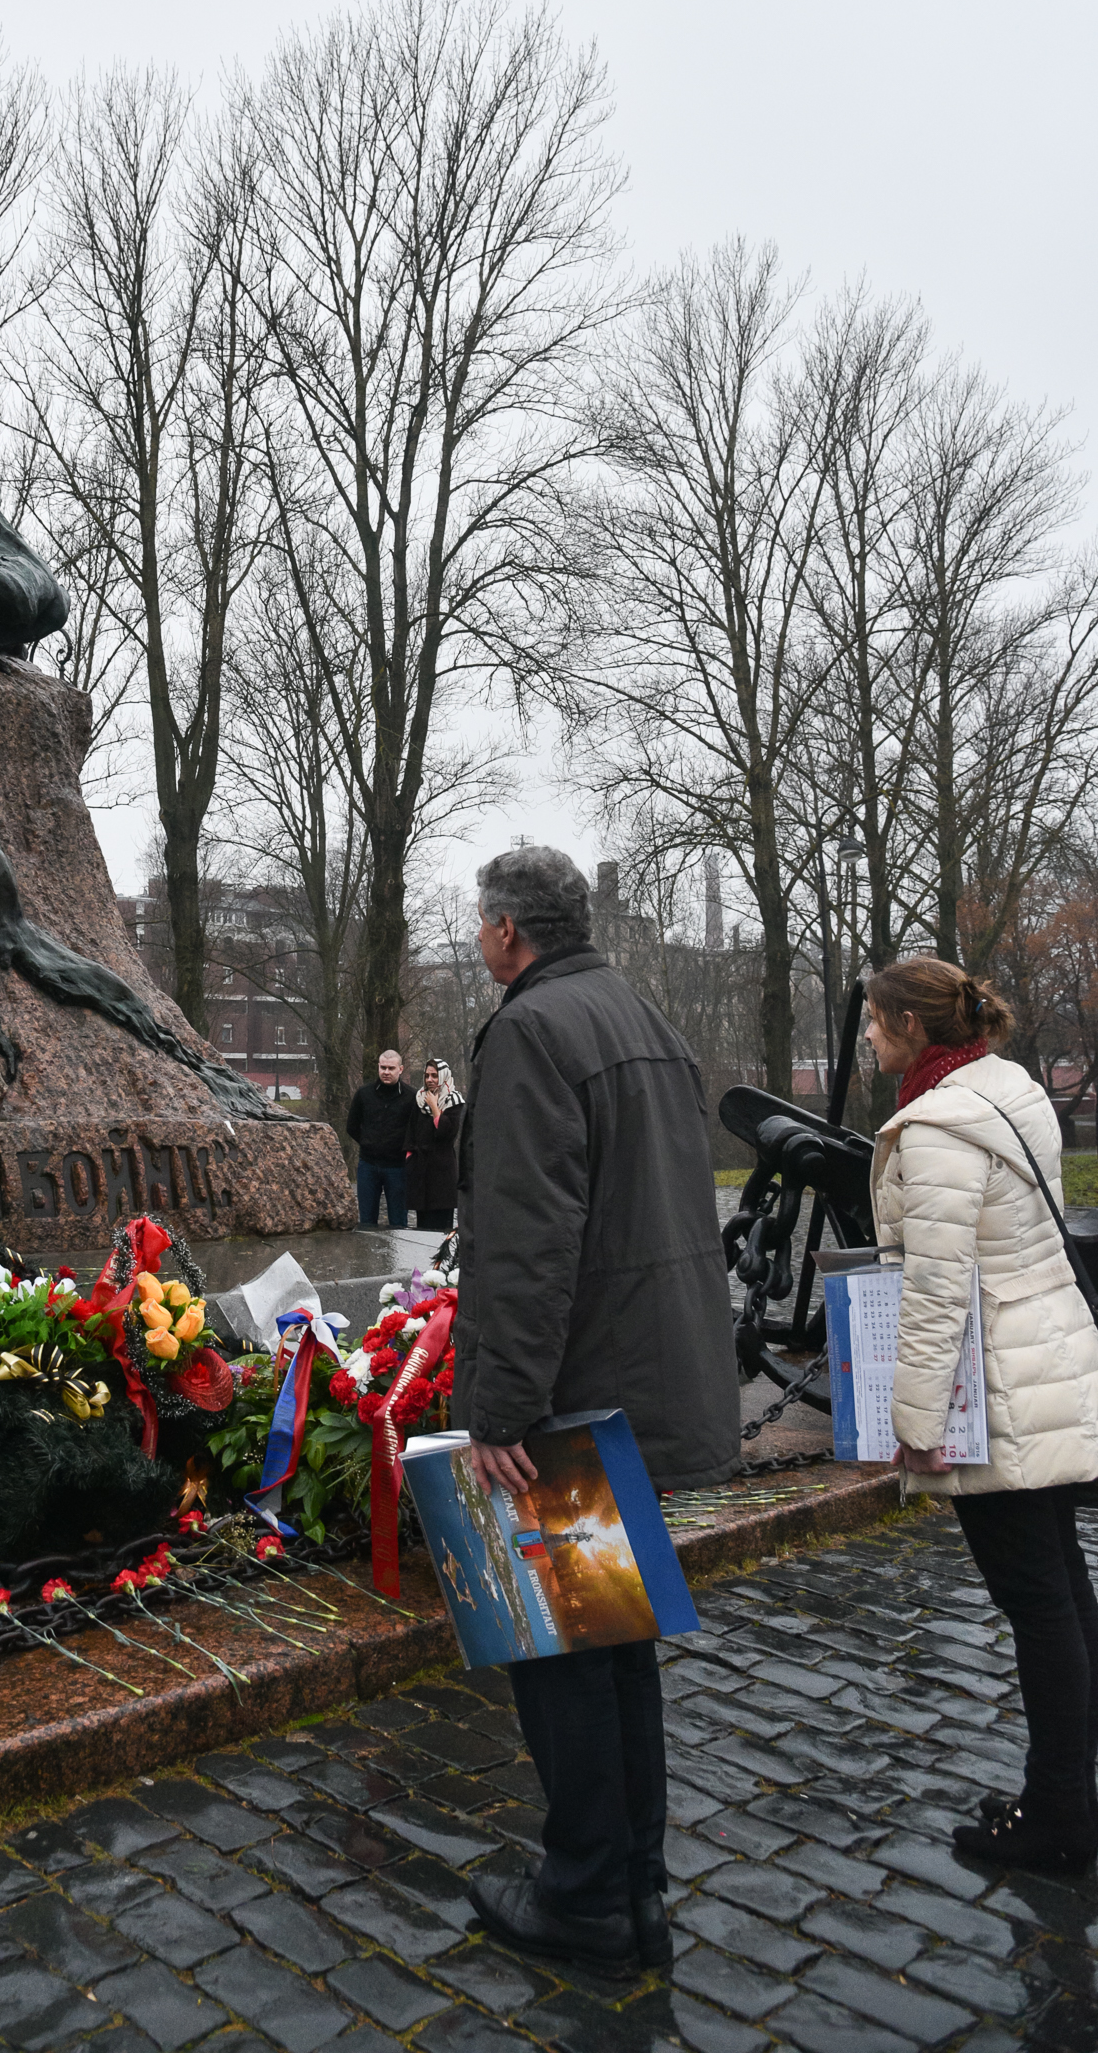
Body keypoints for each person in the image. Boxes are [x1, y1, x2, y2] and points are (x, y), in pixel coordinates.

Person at [455, 845, 739, 1978]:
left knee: (564, 1650)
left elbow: (529, 1244)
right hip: (643, 1374)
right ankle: (632, 1887)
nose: (478, 937)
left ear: (508, 930)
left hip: (572, 1392)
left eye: (480, 921)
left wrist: (501, 1411)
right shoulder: (636, 1012)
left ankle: (584, 1898)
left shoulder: (532, 1030)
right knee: (616, 1649)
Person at [866, 956, 1098, 1875]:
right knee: (1061, 1588)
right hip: (1047, 1359)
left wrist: (916, 1423)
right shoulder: (1008, 1087)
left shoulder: (935, 1127)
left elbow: (935, 1293)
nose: (870, 1036)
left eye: (877, 1021)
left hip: (996, 1388)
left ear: (912, 1027)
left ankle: (1058, 1817)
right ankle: (1071, 1793)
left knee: (1036, 1602)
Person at [345, 1050, 410, 1230]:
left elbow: (415, 1131)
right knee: (366, 1222)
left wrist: (401, 1149)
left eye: (391, 1068)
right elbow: (351, 1126)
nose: (386, 1072)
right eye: (383, 1067)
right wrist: (368, 1142)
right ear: (378, 1067)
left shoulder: (411, 1097)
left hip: (398, 1167)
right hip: (368, 1164)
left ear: (400, 1069)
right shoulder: (364, 1094)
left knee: (399, 1222)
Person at [406, 1058, 463, 1233]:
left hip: (442, 1172)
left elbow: (447, 1133)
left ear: (443, 1076)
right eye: (427, 1075)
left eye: (434, 1076)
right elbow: (411, 1131)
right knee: (422, 1227)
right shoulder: (419, 1099)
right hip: (421, 1170)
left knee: (441, 1228)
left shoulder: (454, 1100)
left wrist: (435, 1108)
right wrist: (410, 1158)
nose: (430, 1080)